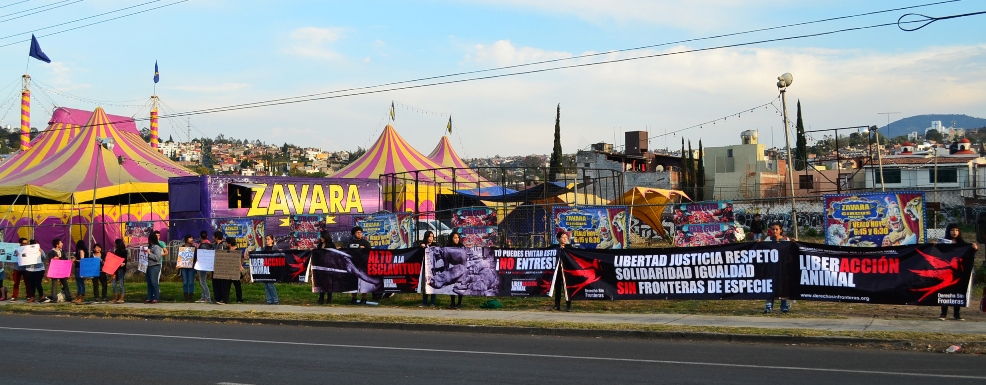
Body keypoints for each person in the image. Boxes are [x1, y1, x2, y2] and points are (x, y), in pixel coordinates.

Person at [937, 223, 977, 321]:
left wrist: (974, 249)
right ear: (948, 231)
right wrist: (934, 246)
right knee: (945, 292)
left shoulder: (963, 244)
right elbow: (938, 253)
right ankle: (943, 314)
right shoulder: (944, 242)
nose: (954, 232)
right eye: (952, 230)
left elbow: (968, 255)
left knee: (958, 292)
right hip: (946, 272)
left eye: (956, 230)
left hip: (958, 273)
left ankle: (956, 314)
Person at [759, 222, 793, 313]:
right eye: (773, 229)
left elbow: (791, 252)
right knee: (770, 286)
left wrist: (795, 244)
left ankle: (784, 305)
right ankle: (769, 306)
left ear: (780, 230)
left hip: (783, 268)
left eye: (776, 229)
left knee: (783, 286)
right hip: (771, 268)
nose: (774, 231)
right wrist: (758, 244)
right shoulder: (768, 240)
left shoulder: (786, 240)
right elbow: (761, 250)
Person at [345, 226, 371, 305]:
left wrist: (365, 249)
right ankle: (354, 298)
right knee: (353, 282)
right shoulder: (350, 243)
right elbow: (347, 252)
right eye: (357, 232)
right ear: (354, 234)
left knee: (364, 281)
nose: (360, 234)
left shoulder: (366, 243)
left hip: (363, 265)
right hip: (353, 264)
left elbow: (370, 253)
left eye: (360, 232)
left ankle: (364, 298)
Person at [553, 230, 574, 312]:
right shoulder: (555, 248)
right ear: (558, 239)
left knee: (567, 288)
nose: (565, 239)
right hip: (558, 271)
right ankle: (557, 305)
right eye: (563, 237)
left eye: (566, 237)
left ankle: (568, 305)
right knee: (557, 288)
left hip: (567, 271)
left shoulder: (570, 248)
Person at [445, 231, 465, 309]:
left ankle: (459, 302)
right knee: (452, 285)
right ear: (451, 238)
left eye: (458, 238)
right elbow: (446, 257)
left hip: (460, 267)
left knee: (460, 285)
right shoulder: (448, 246)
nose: (457, 239)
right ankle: (452, 302)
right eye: (455, 238)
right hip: (451, 267)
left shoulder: (461, 246)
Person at [145, 232, 166, 304]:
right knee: (149, 283)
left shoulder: (157, 247)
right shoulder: (150, 247)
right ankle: (149, 297)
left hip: (155, 266)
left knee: (154, 282)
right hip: (148, 266)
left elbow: (157, 257)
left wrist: (149, 253)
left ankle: (156, 297)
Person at [418, 230, 437, 308]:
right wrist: (421, 247)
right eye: (429, 236)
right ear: (426, 237)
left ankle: (433, 302)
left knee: (433, 285)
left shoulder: (435, 245)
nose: (431, 238)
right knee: (425, 285)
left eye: (432, 236)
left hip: (433, 268)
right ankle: (424, 302)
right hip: (425, 268)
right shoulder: (422, 245)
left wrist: (435, 248)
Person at [194, 232, 214, 303]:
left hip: (202, 264)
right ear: (207, 236)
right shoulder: (210, 244)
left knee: (202, 281)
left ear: (200, 237)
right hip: (207, 264)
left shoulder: (202, 245)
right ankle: (203, 297)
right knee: (202, 280)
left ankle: (208, 297)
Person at [260, 235, 280, 305]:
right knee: (266, 285)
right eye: (266, 239)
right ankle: (269, 300)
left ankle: (275, 299)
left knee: (270, 284)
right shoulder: (265, 247)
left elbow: (278, 256)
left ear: (272, 240)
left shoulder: (274, 247)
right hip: (265, 267)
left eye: (268, 239)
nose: (267, 241)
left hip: (272, 268)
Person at [8, 238, 29, 302]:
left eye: (26, 243)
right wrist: (16, 254)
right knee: (16, 283)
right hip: (17, 268)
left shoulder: (28, 249)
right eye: (24, 243)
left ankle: (28, 296)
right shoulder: (16, 249)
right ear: (20, 243)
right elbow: (12, 257)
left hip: (25, 268)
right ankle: (14, 296)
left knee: (27, 283)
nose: (26, 245)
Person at [316, 230, 333, 305]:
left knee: (329, 283)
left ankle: (329, 298)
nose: (321, 238)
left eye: (323, 237)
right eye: (321, 237)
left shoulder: (331, 245)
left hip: (329, 266)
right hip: (321, 266)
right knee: (322, 283)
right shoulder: (320, 245)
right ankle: (321, 297)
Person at [179, 235, 197, 302]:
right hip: (183, 267)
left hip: (191, 267)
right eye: (190, 238)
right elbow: (179, 257)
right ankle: (185, 296)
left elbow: (196, 258)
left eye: (192, 238)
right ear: (186, 239)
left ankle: (190, 296)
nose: (192, 239)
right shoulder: (182, 248)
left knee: (191, 282)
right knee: (185, 282)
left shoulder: (194, 248)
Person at [111, 239, 128, 304]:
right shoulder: (116, 250)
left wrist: (123, 263)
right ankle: (115, 296)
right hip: (115, 268)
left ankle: (122, 297)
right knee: (113, 283)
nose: (115, 245)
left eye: (116, 243)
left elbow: (125, 260)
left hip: (121, 269)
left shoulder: (124, 251)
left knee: (121, 283)